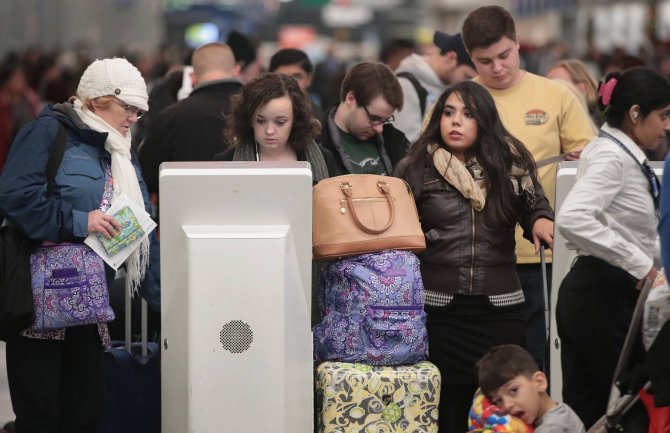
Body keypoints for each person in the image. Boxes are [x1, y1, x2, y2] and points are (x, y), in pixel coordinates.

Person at [0, 57, 152, 432]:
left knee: (85, 409)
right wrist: (78, 221)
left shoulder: (121, 149)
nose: (133, 117)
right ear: (98, 100)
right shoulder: (50, 131)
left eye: (138, 110)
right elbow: (16, 196)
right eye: (126, 107)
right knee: (41, 414)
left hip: (91, 301)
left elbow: (140, 215)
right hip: (38, 303)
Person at [394, 80, 554, 433]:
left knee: (505, 406)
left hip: (500, 307)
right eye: (448, 113)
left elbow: (534, 202)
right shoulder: (415, 166)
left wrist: (541, 220)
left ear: (484, 120)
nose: (456, 121)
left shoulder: (511, 161)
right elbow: (398, 228)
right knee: (445, 407)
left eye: (467, 114)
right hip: (438, 309)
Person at [461, 5, 597, 367]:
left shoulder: (557, 96)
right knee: (488, 358)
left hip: (546, 252)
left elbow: (595, 164)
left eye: (504, 55)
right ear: (469, 57)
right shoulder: (458, 104)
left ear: (518, 43)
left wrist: (582, 160)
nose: (497, 67)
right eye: (484, 61)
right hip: (479, 257)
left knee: (542, 351)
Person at [556, 67, 669, 429]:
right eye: (663, 116)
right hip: (602, 294)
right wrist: (640, 264)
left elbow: (628, 226)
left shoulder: (617, 150)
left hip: (595, 291)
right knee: (632, 402)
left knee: (590, 409)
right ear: (635, 114)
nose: (667, 126)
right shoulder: (612, 156)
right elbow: (573, 217)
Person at [138, 42, 243, 196]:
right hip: (248, 210)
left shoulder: (171, 116)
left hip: (185, 214)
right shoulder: (256, 111)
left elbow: (147, 177)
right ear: (236, 70)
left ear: (192, 76)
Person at [213, 72, 339, 183]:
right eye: (260, 121)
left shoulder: (325, 159)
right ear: (249, 119)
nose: (269, 131)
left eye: (280, 122)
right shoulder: (225, 162)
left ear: (295, 120)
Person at [321, 61, 409, 175]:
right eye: (374, 118)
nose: (379, 129)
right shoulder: (316, 147)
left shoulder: (396, 142)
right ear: (351, 99)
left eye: (385, 120)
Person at [476, 344, 585, 433]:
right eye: (499, 400)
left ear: (539, 382)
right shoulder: (559, 410)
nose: (506, 405)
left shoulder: (554, 427)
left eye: (513, 390)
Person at [393, 31, 476, 143]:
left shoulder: (443, 86)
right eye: (467, 76)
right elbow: (405, 142)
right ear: (451, 58)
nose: (468, 83)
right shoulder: (406, 85)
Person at [546, 59, 603, 127]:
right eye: (547, 84)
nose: (549, 90)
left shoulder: (605, 121)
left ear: (582, 87)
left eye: (558, 84)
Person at [268, 48, 321, 117]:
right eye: (282, 77)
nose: (289, 83)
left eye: (296, 77)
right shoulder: (257, 114)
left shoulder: (320, 122)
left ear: (308, 79)